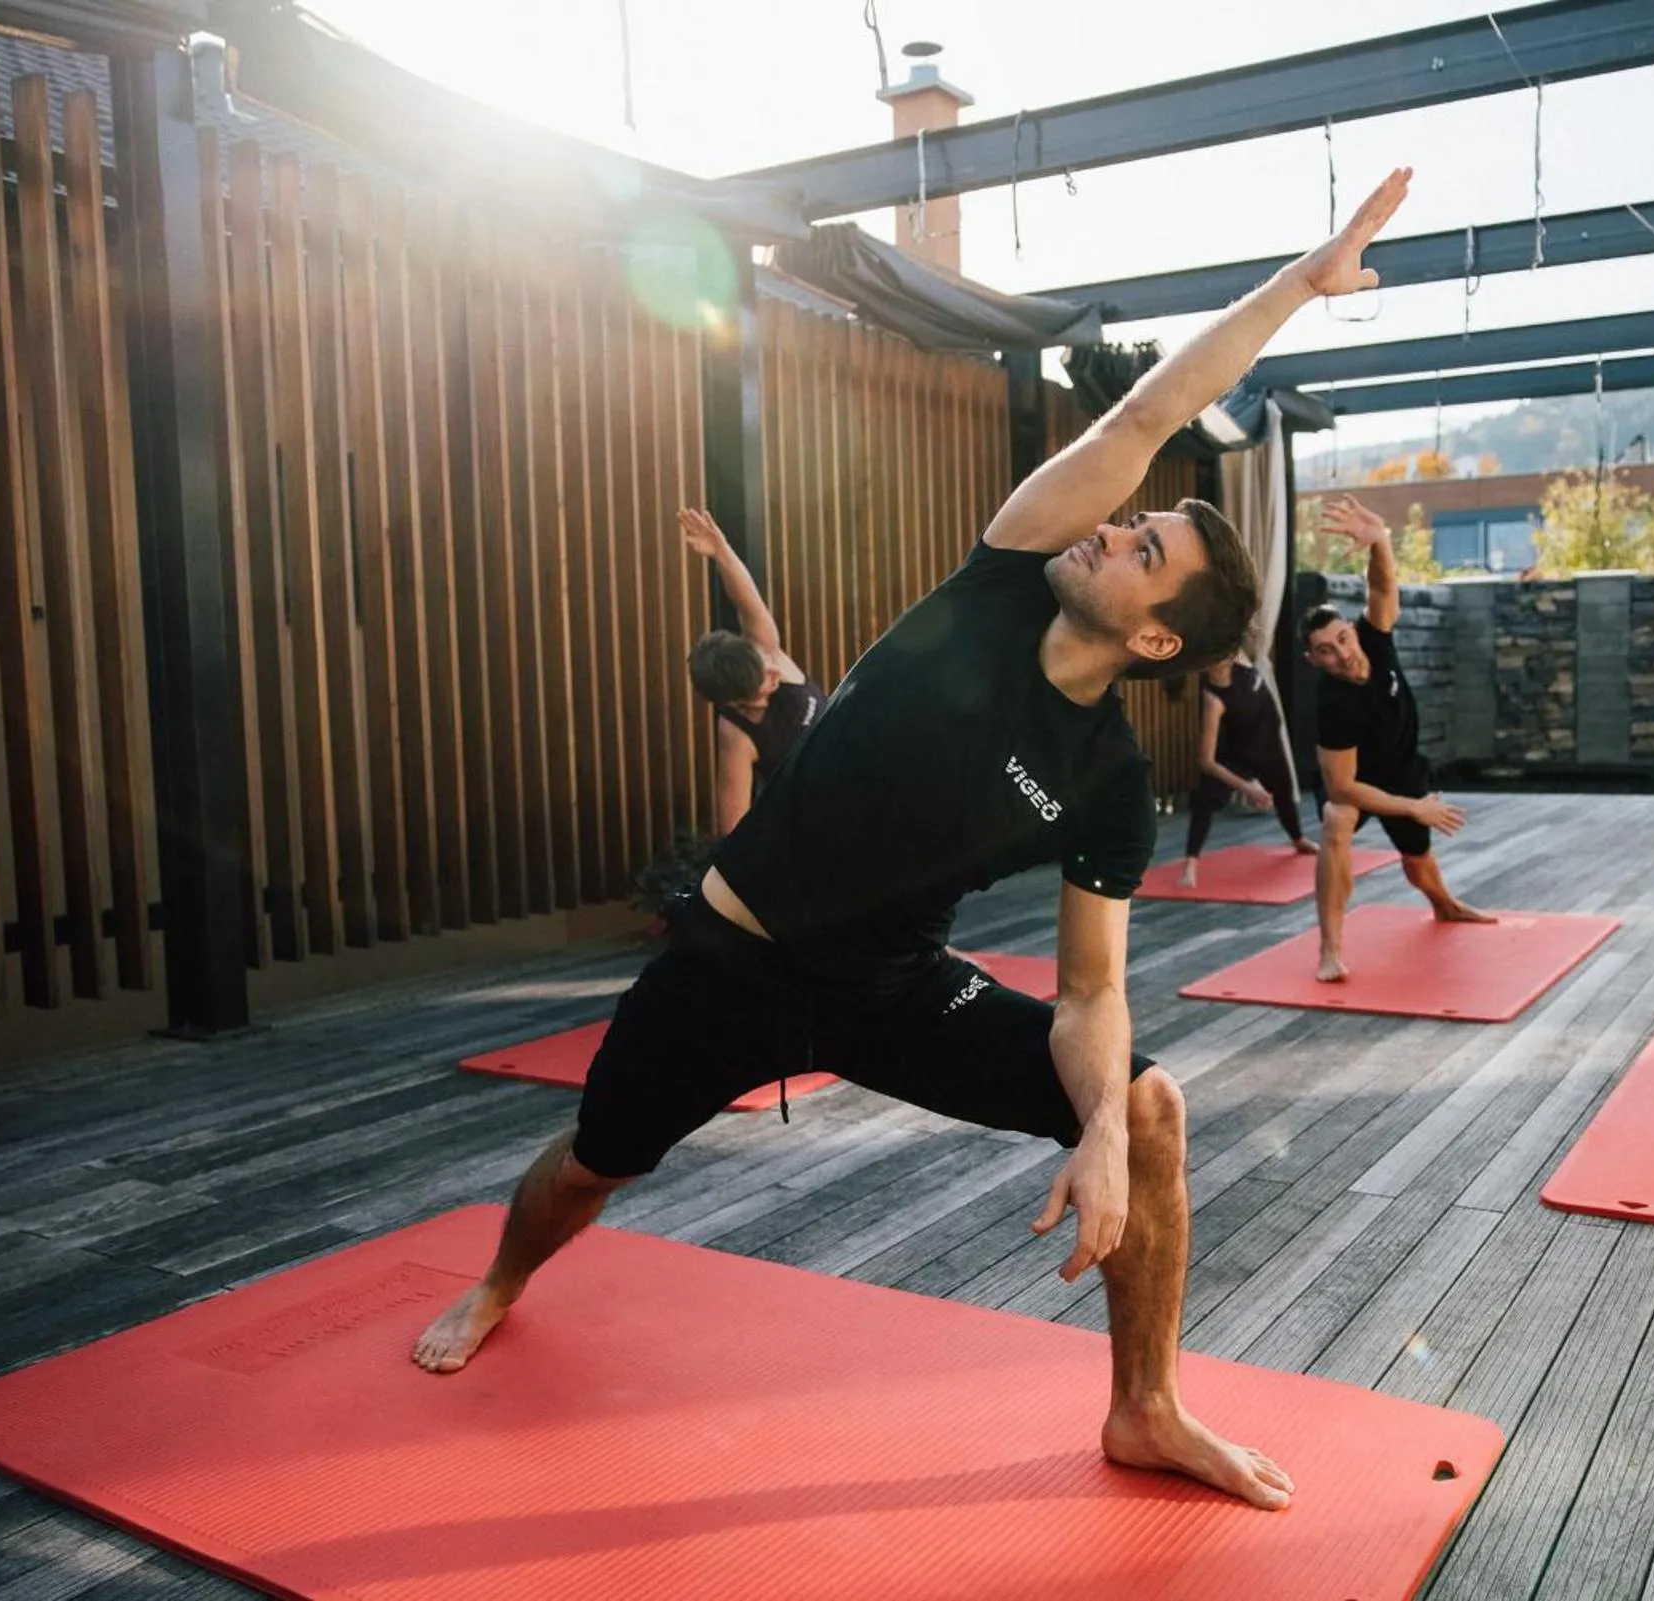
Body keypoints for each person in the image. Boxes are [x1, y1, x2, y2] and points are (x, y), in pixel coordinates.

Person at [412, 167, 1420, 1512]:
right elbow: (1149, 407)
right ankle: (498, 1283)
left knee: (1150, 1103)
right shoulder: (1005, 581)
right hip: (733, 961)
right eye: (1133, 515)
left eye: (1143, 545)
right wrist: (1300, 283)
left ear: (1156, 635)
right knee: (589, 1165)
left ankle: (1145, 1407)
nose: (1115, 523)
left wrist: (1102, 1135)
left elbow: (1088, 990)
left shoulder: (1105, 783)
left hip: (890, 988)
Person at [1302, 494, 1491, 983]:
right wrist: (1414, 806)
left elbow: (1382, 585)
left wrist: (1380, 541)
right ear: (1313, 661)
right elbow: (1344, 788)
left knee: (1418, 860)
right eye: (1325, 652)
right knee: (1335, 818)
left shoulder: (1375, 638)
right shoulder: (1331, 705)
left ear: (1352, 631)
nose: (1341, 655)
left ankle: (1445, 906)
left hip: (1402, 766)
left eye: (1342, 639)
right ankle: (1330, 947)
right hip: (1359, 782)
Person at [681, 506, 828, 836]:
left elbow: (747, 600)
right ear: (737, 702)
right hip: (819, 825)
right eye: (766, 681)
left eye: (767, 664)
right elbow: (733, 829)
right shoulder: (736, 735)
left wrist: (720, 551)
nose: (776, 671)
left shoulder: (765, 648)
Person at [1177, 650, 1314, 887]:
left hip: (1268, 746)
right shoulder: (1214, 700)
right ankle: (1191, 863)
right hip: (1236, 756)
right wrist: (1247, 788)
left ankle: (1298, 839)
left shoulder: (1241, 657)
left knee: (1284, 791)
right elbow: (1207, 761)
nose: (1222, 659)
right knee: (1205, 799)